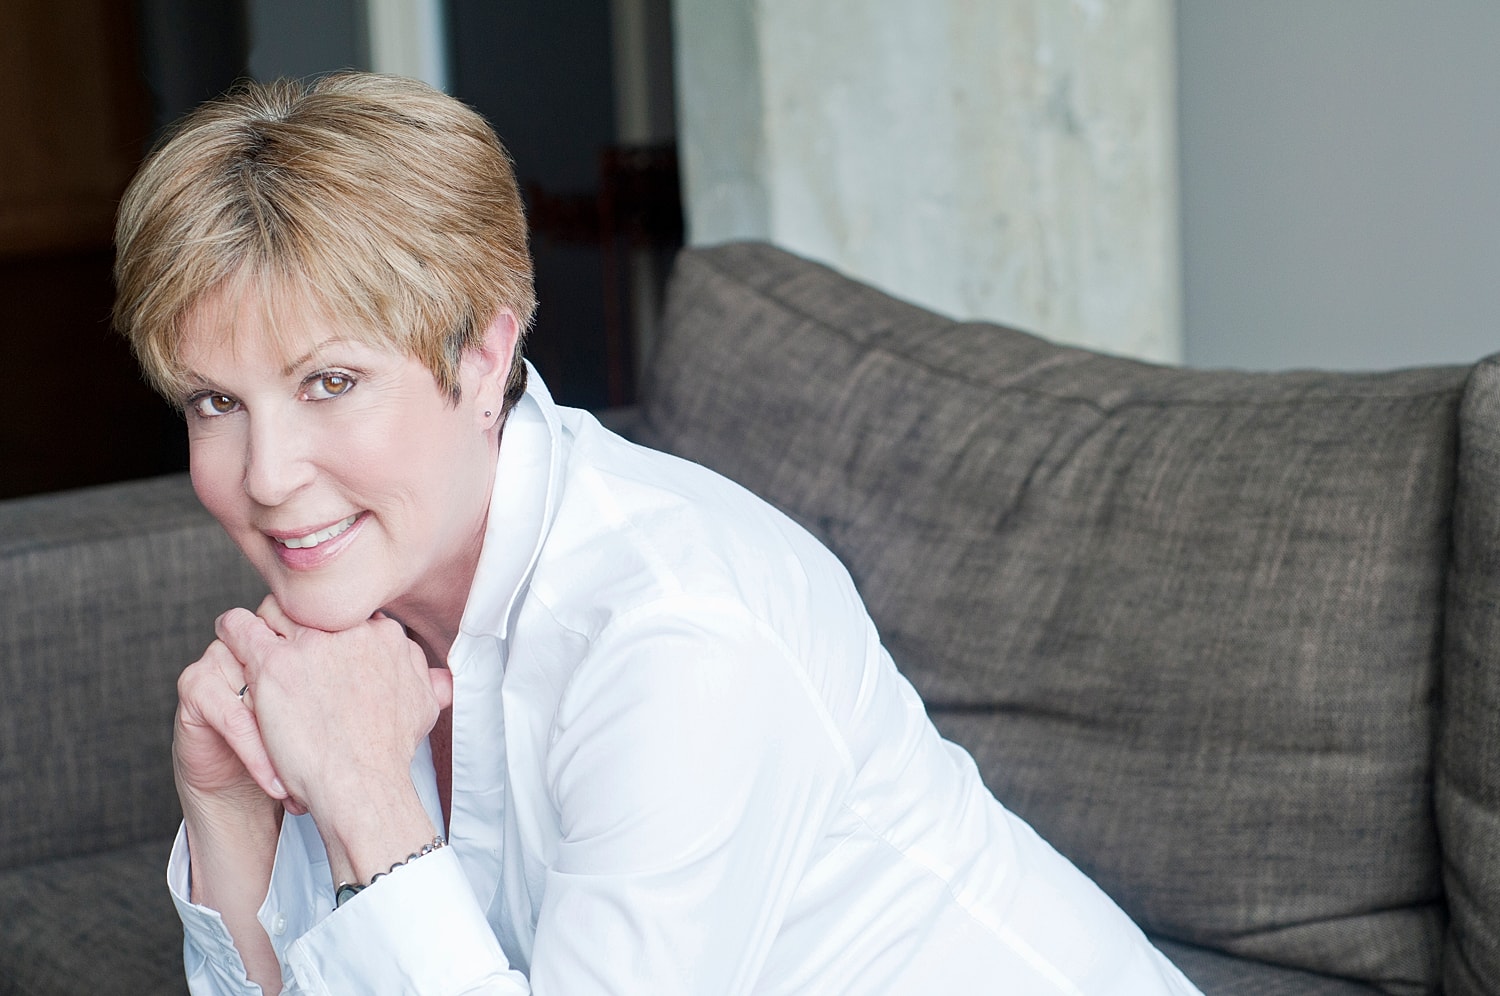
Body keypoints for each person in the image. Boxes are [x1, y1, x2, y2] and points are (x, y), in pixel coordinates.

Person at [113, 72, 1202, 996]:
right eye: (217, 402)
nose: (266, 475)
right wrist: (228, 813)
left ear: (485, 358)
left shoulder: (681, 634)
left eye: (331, 382)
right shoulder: (350, 627)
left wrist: (364, 799)